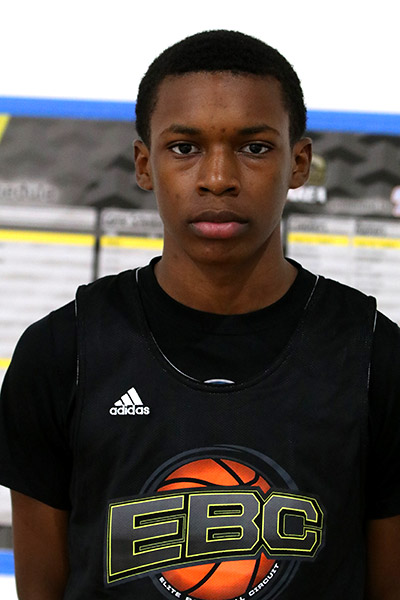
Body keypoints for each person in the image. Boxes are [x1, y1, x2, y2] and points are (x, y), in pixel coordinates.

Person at [1, 30, 400, 600]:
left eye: (254, 147)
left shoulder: (376, 359)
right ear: (144, 164)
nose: (218, 178)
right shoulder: (63, 354)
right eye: (185, 148)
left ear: (299, 164)